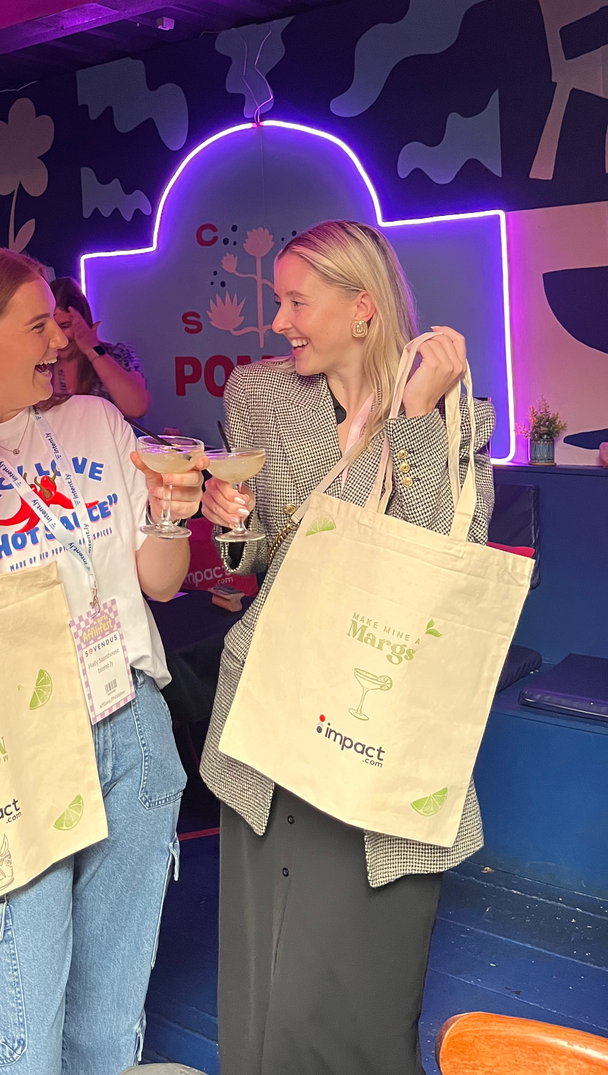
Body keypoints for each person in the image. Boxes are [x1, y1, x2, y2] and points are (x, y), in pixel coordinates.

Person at [0, 243, 201, 1075]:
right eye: (38, 326)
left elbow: (158, 585)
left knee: (106, 1018)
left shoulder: (93, 423)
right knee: (19, 1039)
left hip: (130, 723)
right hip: (12, 755)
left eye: (57, 323)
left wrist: (171, 513)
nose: (60, 341)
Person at [199, 220, 494, 1075]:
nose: (280, 320)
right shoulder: (261, 397)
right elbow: (260, 556)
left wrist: (412, 419)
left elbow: (441, 554)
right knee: (266, 972)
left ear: (363, 307)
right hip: (276, 715)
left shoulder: (455, 412)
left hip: (381, 732)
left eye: (298, 300)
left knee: (359, 971)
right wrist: (231, 525)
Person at [46, 275, 150, 418]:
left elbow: (136, 409)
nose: (59, 338)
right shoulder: (39, 364)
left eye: (65, 326)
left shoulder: (118, 355)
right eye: (51, 327)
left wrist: (92, 349)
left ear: (84, 319)